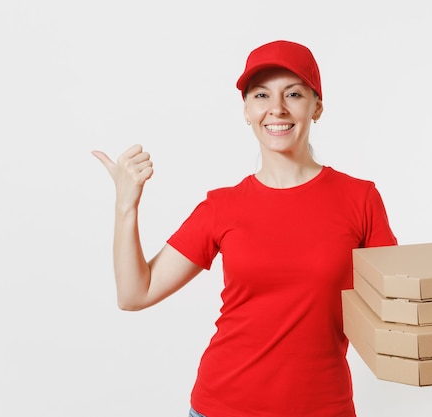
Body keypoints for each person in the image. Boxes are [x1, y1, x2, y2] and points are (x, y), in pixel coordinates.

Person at [93, 40, 397, 417]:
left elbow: (398, 304)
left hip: (323, 408)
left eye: (294, 93)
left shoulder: (360, 199)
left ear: (317, 107)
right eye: (261, 95)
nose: (277, 109)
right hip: (223, 405)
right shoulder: (222, 207)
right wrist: (126, 205)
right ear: (247, 110)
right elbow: (134, 294)